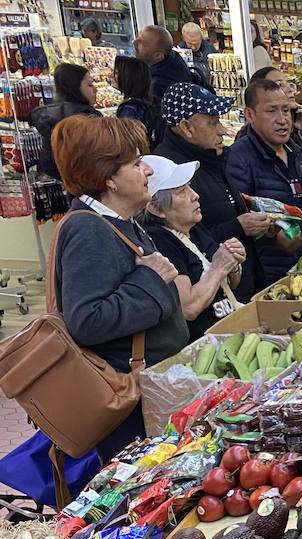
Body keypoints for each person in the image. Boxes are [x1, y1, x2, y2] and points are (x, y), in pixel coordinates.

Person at [49, 116, 186, 461]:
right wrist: (150, 280)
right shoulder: (89, 231)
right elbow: (87, 320)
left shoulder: (119, 223)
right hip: (127, 405)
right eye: (137, 163)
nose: (148, 171)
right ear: (108, 177)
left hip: (146, 394)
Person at [156, 82, 268, 299]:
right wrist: (237, 227)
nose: (223, 130)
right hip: (212, 299)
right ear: (186, 128)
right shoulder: (171, 173)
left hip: (239, 282)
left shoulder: (211, 156)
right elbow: (183, 238)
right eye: (213, 122)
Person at [226, 79, 302, 285]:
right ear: (250, 115)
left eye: (286, 110)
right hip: (272, 275)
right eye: (271, 111)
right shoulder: (239, 158)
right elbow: (242, 213)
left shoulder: (296, 149)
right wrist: (278, 232)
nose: (282, 119)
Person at [141, 155, 245, 341]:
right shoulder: (161, 241)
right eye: (182, 191)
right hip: (206, 343)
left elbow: (226, 284)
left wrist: (233, 264)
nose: (194, 195)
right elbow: (188, 308)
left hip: (232, 325)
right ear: (156, 209)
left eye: (190, 186)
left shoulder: (194, 228)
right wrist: (219, 267)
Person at [31, 63, 98, 180]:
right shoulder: (89, 118)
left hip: (69, 185)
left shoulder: (50, 117)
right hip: (93, 185)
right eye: (90, 84)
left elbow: (48, 162)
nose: (95, 89)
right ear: (74, 87)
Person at [245, 66, 302, 170]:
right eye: (279, 85)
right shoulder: (248, 142)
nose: (289, 89)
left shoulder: (290, 128)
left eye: (288, 84)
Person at [114, 55, 163, 149]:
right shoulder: (152, 101)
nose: (113, 77)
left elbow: (127, 144)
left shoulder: (130, 108)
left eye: (116, 73)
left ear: (127, 78)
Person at [136, 25, 194, 98]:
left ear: (157, 55)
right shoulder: (173, 58)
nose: (134, 42)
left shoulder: (159, 86)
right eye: (138, 38)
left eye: (141, 43)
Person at [180, 22, 215, 87]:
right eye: (190, 44)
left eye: (196, 44)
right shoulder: (179, 53)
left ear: (201, 39)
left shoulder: (210, 49)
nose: (193, 47)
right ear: (184, 39)